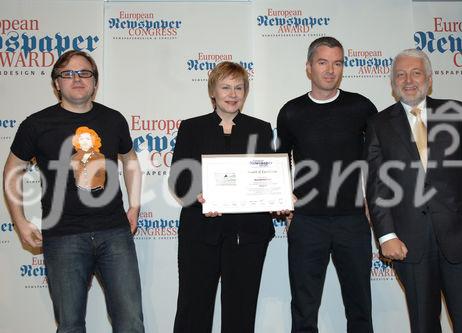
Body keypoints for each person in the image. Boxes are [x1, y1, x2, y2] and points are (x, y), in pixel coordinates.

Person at [3, 50, 144, 333]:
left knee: (130, 322)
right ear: (56, 83)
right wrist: (19, 221)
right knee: (69, 325)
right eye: (67, 74)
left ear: (95, 82)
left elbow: (130, 160)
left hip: (114, 232)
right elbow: (11, 171)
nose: (76, 79)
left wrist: (135, 205)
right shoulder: (36, 124)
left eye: (84, 73)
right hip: (63, 236)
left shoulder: (113, 120)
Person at [364, 48, 462, 333]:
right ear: (392, 82)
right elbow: (376, 186)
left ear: (429, 78)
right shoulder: (378, 124)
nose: (408, 80)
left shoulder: (458, 112)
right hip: (409, 244)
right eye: (400, 74)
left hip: (461, 238)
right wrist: (386, 236)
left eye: (416, 73)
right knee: (423, 325)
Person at [276, 36, 377, 333]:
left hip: (353, 220)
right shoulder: (291, 111)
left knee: (360, 306)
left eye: (337, 63)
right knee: (304, 309)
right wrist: (286, 203)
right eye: (323, 63)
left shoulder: (362, 107)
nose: (330, 70)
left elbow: (377, 161)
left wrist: (376, 207)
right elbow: (279, 162)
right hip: (307, 222)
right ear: (309, 67)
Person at [168, 61, 275, 333]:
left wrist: (278, 197)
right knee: (193, 308)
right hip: (200, 231)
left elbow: (270, 176)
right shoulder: (192, 128)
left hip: (248, 234)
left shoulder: (260, 129)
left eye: (239, 87)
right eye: (225, 87)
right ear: (212, 92)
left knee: (241, 309)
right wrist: (200, 196)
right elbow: (179, 178)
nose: (232, 94)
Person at [71, 126, 106, 191]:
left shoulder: (100, 157)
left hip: (97, 189)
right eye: (81, 139)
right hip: (79, 189)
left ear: (93, 141)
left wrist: (100, 186)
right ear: (78, 142)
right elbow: (74, 176)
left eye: (88, 139)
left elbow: (102, 175)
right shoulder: (74, 158)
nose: (85, 141)